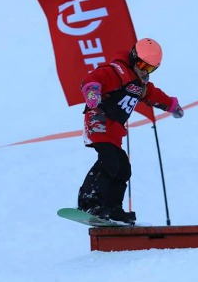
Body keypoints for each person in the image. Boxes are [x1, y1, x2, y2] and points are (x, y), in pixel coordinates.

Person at [76, 38, 184, 224]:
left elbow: (155, 95)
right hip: (99, 118)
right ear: (134, 56)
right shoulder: (117, 72)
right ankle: (88, 201)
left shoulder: (140, 85)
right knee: (109, 161)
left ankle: (113, 207)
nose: (144, 70)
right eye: (142, 64)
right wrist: (92, 92)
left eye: (149, 68)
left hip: (114, 128)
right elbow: (94, 78)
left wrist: (172, 106)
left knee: (123, 168)